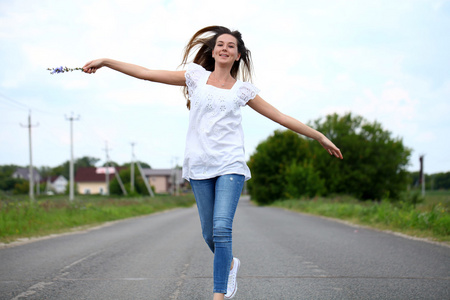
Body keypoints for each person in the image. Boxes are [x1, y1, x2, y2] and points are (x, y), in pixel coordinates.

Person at [83, 25, 343, 300]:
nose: (224, 49)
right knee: (210, 234)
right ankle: (230, 264)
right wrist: (106, 61)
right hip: (198, 166)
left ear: (238, 55)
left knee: (221, 227)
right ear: (213, 50)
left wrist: (319, 136)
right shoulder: (195, 77)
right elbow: (146, 74)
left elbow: (280, 117)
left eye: (231, 46)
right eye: (220, 44)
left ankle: (219, 294)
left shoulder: (243, 91)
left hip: (230, 165)